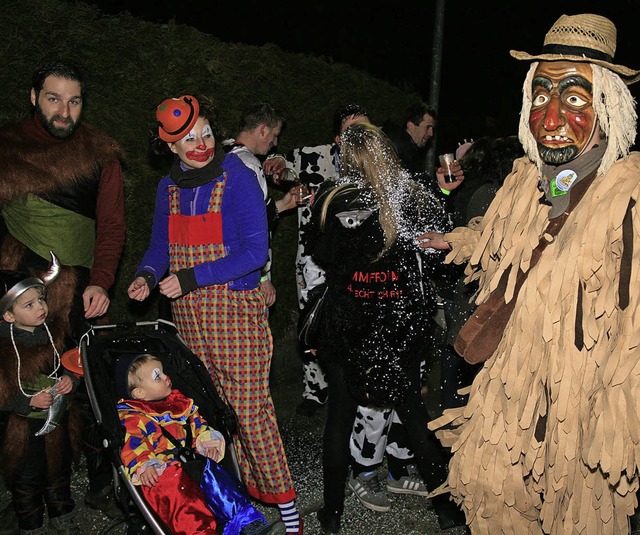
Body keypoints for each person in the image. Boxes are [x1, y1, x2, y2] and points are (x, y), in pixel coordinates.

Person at [423, 13, 640, 533]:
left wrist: (619, 412)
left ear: (607, 104)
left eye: (573, 97)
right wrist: (454, 240)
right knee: (488, 490)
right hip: (510, 378)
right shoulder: (528, 178)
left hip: (584, 400)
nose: (550, 116)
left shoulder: (628, 196)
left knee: (577, 516)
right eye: (540, 96)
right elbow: (505, 237)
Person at [127, 94, 301, 534]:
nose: (202, 143)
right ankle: (241, 506)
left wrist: (191, 277)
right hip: (188, 318)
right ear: (170, 146)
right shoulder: (167, 187)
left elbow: (253, 252)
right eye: (189, 138)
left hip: (235, 312)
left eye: (206, 133)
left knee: (249, 412)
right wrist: (147, 276)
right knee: (210, 414)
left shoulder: (238, 175)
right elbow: (160, 248)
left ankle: (289, 512)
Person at [305, 122, 466, 533]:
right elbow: (437, 247)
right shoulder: (408, 194)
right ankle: (446, 510)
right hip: (397, 323)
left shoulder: (330, 197)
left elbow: (320, 253)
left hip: (348, 322)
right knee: (413, 413)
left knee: (340, 416)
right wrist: (444, 194)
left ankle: (333, 515)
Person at [0, 59, 126, 519]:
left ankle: (100, 486)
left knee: (90, 389)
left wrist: (101, 282)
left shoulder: (99, 154)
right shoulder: (6, 148)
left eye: (74, 101)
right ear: (33, 97)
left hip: (78, 297)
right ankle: (26, 491)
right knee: (19, 388)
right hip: (17, 293)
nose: (64, 111)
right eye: (54, 99)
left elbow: (112, 227)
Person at [116, 353, 285, 535]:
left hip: (191, 462)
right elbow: (134, 445)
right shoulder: (134, 417)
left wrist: (207, 440)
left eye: (164, 372)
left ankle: (246, 524)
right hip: (163, 472)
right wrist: (145, 464)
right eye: (158, 376)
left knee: (217, 478)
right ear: (139, 393)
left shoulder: (180, 404)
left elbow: (198, 425)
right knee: (180, 497)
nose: (167, 377)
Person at [0, 265, 82, 535]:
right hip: (20, 428)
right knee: (26, 476)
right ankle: (30, 524)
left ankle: (62, 513)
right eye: (30, 304)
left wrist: (72, 379)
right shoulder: (4, 349)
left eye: (41, 299)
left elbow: (74, 363)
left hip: (56, 421)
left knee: (58, 467)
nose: (41, 307)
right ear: (9, 315)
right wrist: (27, 404)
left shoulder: (55, 333)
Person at [223, 102, 301, 308]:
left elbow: (242, 215)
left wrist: (283, 205)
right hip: (245, 273)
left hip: (223, 265)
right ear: (263, 130)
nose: (275, 142)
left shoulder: (221, 154)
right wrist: (263, 277)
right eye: (274, 135)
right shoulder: (248, 164)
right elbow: (253, 228)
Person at [382, 102, 437, 180]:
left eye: (432, 129)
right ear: (411, 126)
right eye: (428, 127)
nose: (431, 133)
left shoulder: (397, 143)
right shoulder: (404, 151)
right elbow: (419, 186)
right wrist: (444, 189)